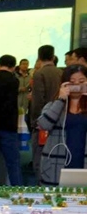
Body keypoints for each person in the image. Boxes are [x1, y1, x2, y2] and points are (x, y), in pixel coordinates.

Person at [39, 65, 87, 186]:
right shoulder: (54, 105)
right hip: (56, 163)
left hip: (82, 161)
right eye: (72, 82)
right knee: (55, 196)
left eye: (81, 81)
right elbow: (44, 124)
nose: (77, 85)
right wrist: (61, 100)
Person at [0, 55, 23, 186]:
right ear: (13, 67)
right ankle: (17, 191)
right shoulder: (14, 81)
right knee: (13, 163)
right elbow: (8, 106)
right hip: (8, 126)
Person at [31, 45, 62, 184]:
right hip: (60, 119)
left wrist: (35, 122)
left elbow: (38, 101)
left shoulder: (39, 74)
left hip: (44, 122)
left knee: (40, 159)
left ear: (39, 57)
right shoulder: (61, 72)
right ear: (53, 56)